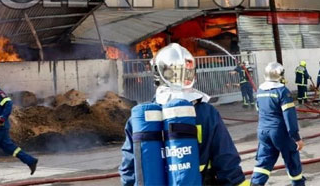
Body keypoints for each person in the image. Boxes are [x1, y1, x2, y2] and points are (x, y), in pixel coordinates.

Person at [119, 43, 248, 186]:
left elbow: (129, 169)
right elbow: (227, 160)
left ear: (158, 73)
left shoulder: (140, 118)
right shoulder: (206, 112)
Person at [251, 62, 306, 186]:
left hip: (263, 131)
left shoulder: (260, 90)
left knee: (264, 161)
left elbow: (259, 110)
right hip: (280, 132)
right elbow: (289, 116)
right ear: (280, 75)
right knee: (292, 159)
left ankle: (256, 183)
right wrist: (296, 138)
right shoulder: (282, 91)